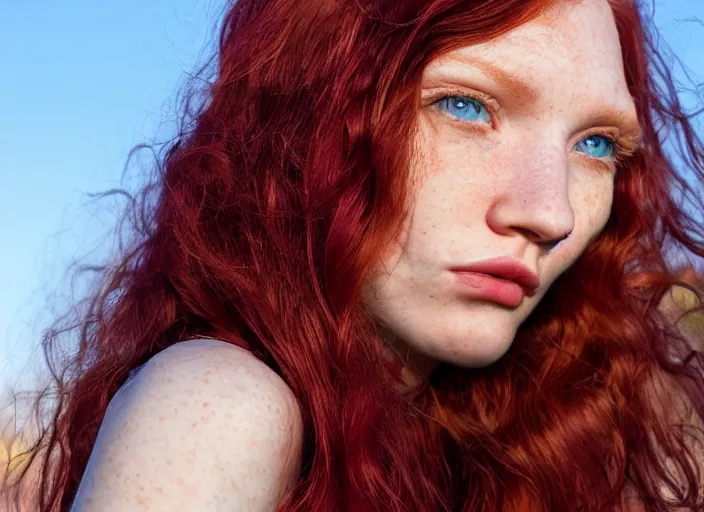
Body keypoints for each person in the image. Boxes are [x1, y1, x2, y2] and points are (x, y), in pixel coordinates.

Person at [3, 0, 704, 510]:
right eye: (464, 106)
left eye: (596, 145)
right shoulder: (222, 404)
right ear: (309, 119)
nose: (549, 213)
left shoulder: (486, 434)